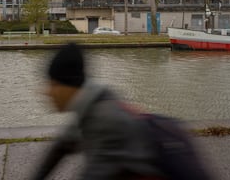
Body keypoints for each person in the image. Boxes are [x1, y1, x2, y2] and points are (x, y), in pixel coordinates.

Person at [31, 42, 210, 179]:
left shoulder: (106, 121)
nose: (46, 92)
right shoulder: (89, 106)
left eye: (52, 84)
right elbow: (60, 147)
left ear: (67, 88)